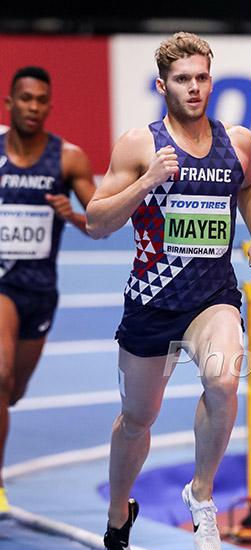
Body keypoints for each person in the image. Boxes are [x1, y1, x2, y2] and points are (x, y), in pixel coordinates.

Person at [86, 31, 251, 550]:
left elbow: (249, 185)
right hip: (152, 302)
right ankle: (118, 515)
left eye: (202, 77)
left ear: (211, 80)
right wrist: (148, 180)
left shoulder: (237, 142)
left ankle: (202, 492)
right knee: (137, 420)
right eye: (183, 79)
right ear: (161, 85)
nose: (194, 87)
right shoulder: (139, 145)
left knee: (224, 380)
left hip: (212, 296)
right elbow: (95, 221)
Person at [0, 66, 96, 514]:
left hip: (39, 290)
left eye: (41, 100)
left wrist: (71, 215)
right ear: (9, 103)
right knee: (0, 377)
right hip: (2, 284)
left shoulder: (67, 159)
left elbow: (101, 221)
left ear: (50, 106)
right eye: (25, 99)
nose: (33, 107)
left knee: (13, 391)